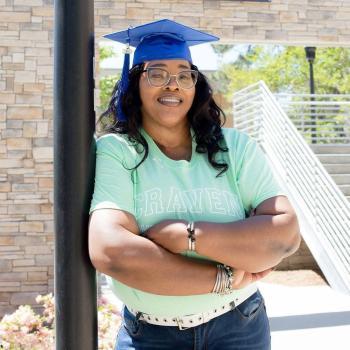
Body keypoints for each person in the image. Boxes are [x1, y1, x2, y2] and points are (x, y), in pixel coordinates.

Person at [88, 19, 301, 350]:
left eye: (184, 75)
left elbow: (284, 235)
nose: (173, 85)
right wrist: (223, 278)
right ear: (135, 83)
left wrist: (185, 235)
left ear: (195, 85)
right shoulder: (117, 151)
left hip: (240, 327)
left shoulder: (235, 147)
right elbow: (112, 251)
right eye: (157, 74)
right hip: (151, 337)